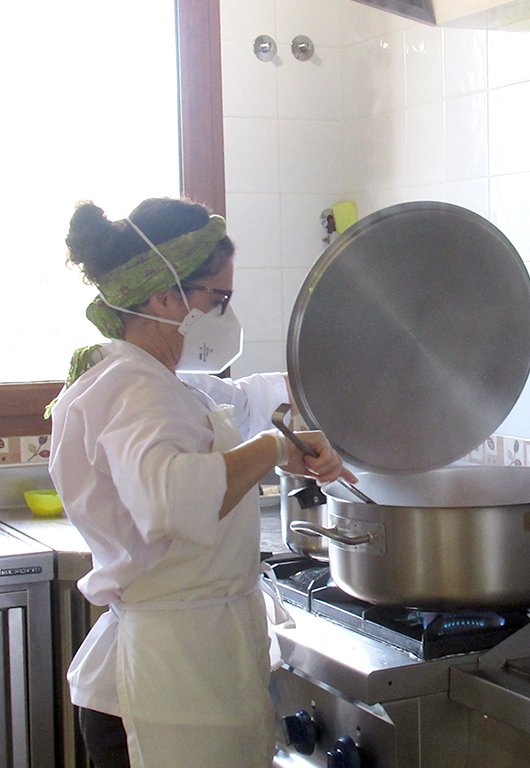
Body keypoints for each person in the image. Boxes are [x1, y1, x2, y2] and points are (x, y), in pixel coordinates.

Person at [48, 197, 356, 768]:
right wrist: (271, 448)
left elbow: (210, 449)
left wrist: (281, 454)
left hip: (191, 666)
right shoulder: (137, 388)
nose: (225, 313)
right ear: (166, 296)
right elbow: (175, 498)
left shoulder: (153, 381)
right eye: (219, 296)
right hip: (166, 684)